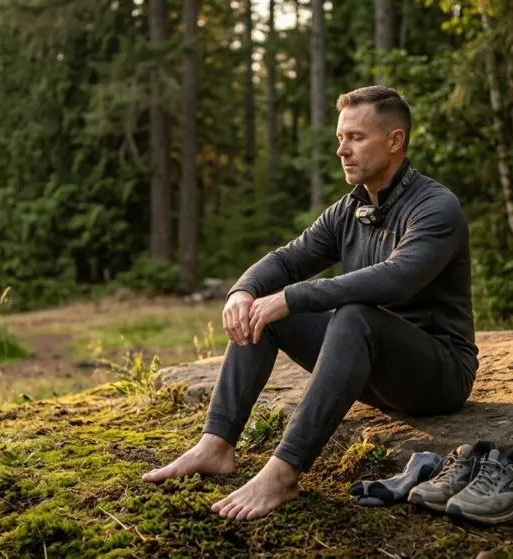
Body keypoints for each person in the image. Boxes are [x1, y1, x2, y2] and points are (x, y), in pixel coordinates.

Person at [141, 85, 479, 521]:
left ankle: (283, 474)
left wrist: (292, 297)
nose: (342, 150)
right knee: (264, 308)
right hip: (372, 370)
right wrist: (243, 292)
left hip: (438, 375)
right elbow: (287, 259)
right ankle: (216, 444)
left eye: (356, 138)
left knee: (353, 313)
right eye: (340, 138)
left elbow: (396, 280)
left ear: (395, 141)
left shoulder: (435, 207)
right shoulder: (350, 209)